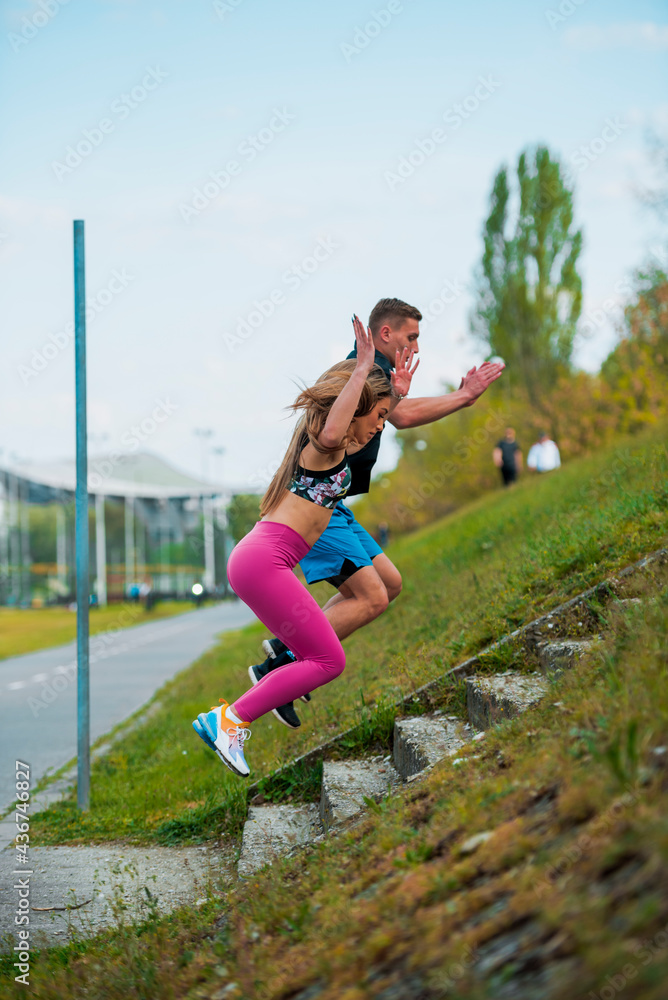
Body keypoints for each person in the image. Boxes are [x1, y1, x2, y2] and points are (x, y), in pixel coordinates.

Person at [251, 300, 505, 728]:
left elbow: (400, 416)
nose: (415, 345)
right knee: (370, 597)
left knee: (390, 584)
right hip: (318, 508)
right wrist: (453, 396)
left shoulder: (378, 378)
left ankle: (283, 650)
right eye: (411, 337)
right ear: (384, 334)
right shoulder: (361, 374)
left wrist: (462, 397)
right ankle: (281, 666)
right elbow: (334, 435)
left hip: (337, 507)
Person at [192, 322, 419, 777]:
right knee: (329, 660)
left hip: (264, 560)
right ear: (353, 408)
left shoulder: (339, 451)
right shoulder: (324, 448)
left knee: (324, 655)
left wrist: (393, 393)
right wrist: (361, 371)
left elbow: (366, 422)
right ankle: (229, 720)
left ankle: (237, 712)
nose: (381, 424)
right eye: (376, 415)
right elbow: (336, 428)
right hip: (263, 562)